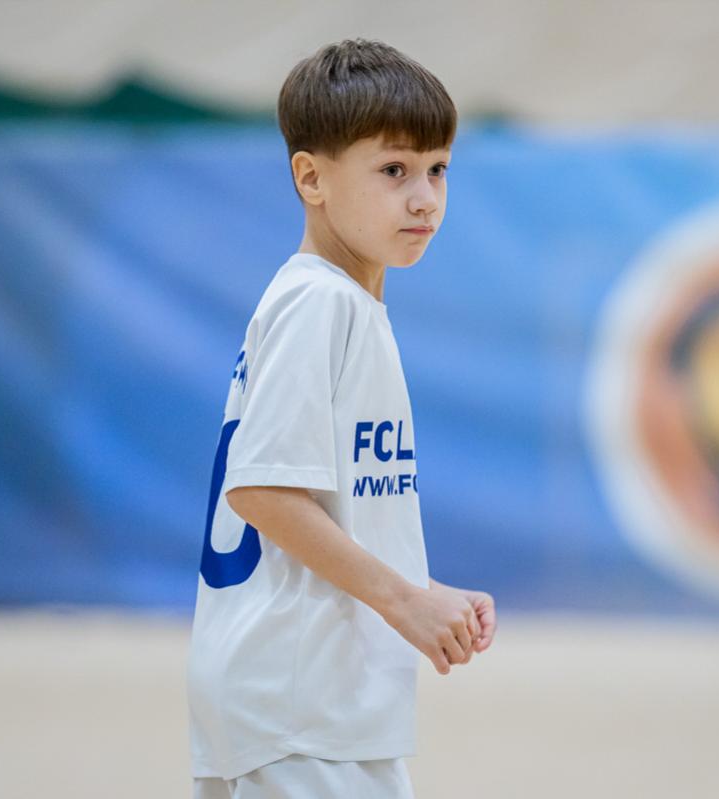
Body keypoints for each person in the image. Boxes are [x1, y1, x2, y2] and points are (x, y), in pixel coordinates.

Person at [188, 38, 497, 799]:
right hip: (300, 704)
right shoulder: (320, 302)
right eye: (393, 170)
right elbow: (262, 492)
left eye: (437, 169)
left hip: (298, 703)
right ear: (311, 177)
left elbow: (318, 514)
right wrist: (405, 602)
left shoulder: (336, 302)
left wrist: (425, 586)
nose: (424, 198)